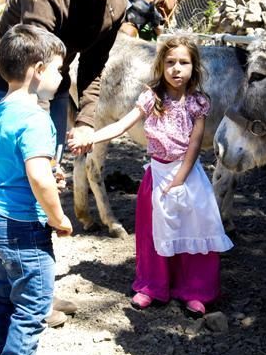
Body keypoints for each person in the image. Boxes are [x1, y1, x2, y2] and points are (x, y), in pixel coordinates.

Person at [0, 0, 133, 325]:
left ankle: (35, 284)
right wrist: (43, 140)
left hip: (52, 78)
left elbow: (95, 68)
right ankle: (24, 285)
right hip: (7, 77)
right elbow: (30, 68)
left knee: (49, 175)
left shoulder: (117, 3)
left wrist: (84, 122)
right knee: (25, 179)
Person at [68, 36, 233, 315]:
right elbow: (120, 125)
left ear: (194, 67)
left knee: (194, 231)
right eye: (170, 62)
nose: (176, 69)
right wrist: (92, 136)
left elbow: (194, 145)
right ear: (160, 65)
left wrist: (180, 177)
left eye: (184, 62)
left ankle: (196, 291)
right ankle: (151, 286)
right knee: (152, 235)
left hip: (188, 177)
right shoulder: (150, 98)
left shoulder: (198, 103)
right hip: (156, 176)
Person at [0, 24, 72, 355]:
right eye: (57, 69)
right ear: (37, 69)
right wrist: (58, 216)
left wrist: (49, 170)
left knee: (2, 293)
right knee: (34, 302)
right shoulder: (36, 118)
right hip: (22, 226)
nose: (61, 76)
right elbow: (36, 176)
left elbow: (16, 164)